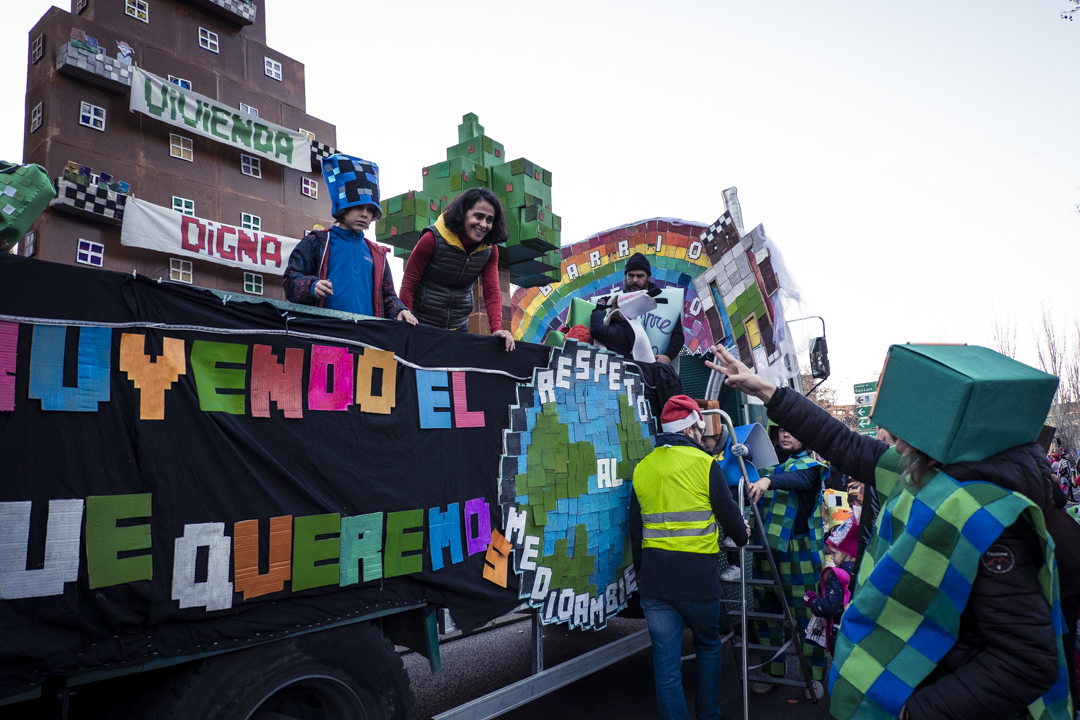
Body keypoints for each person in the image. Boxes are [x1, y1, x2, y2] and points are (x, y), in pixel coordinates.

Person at [708, 343, 1075, 720]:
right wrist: (766, 390)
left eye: (906, 432)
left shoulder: (991, 520)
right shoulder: (933, 476)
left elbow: (1026, 660)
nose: (892, 439)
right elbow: (841, 442)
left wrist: (915, 712)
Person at [629, 395, 750, 720]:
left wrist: (644, 577)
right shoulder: (705, 465)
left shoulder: (643, 467)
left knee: (665, 665)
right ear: (693, 428)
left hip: (655, 584)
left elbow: (636, 532)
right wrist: (744, 531)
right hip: (699, 583)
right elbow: (735, 529)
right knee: (708, 646)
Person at [283, 154, 417, 325]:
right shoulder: (316, 242)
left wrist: (400, 310)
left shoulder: (377, 254)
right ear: (343, 207)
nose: (365, 214)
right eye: (359, 207)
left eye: (370, 210)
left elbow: (388, 295)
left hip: (367, 338)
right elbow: (290, 281)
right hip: (325, 335)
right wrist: (310, 286)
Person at [747, 426, 829, 698]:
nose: (786, 435)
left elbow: (801, 479)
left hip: (800, 552)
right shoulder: (763, 465)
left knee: (809, 617)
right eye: (781, 430)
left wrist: (768, 482)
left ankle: (814, 678)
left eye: (793, 430)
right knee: (767, 614)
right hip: (766, 550)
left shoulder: (811, 466)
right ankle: (772, 672)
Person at [399, 187, 515, 351]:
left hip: (458, 328)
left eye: (489, 220)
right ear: (463, 213)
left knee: (455, 376)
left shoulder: (489, 249)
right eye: (478, 216)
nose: (483, 224)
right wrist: (406, 316)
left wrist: (496, 328)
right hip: (422, 324)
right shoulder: (432, 238)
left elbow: (491, 290)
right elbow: (409, 282)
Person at [590, 253, 683, 415]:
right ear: (625, 277)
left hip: (655, 375)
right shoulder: (618, 302)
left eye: (640, 276)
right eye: (631, 275)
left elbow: (678, 336)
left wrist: (667, 356)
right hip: (625, 375)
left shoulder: (665, 300)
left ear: (648, 277)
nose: (635, 280)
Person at [803, 517, 858, 653]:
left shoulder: (838, 574)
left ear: (848, 554)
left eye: (834, 553)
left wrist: (813, 601)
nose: (832, 558)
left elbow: (832, 606)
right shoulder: (862, 571)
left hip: (839, 632)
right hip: (855, 630)